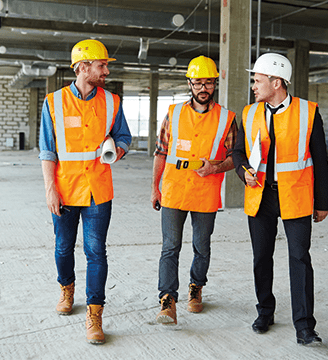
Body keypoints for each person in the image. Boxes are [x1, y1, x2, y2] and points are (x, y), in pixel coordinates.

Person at [232, 53, 328, 345]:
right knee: (262, 258)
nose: (253, 86)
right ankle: (265, 311)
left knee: (300, 259)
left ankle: (304, 326)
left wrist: (322, 202)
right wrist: (244, 171)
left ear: (277, 83)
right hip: (260, 198)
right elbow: (238, 153)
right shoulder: (249, 113)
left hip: (296, 196)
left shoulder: (308, 112)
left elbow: (321, 161)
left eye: (258, 80)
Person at [39, 39, 132, 344]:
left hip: (98, 191)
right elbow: (47, 151)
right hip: (65, 191)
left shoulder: (112, 101)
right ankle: (67, 289)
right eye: (101, 65)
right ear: (83, 67)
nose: (106, 71)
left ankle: (95, 314)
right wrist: (50, 190)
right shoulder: (53, 102)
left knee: (96, 252)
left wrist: (115, 151)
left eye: (106, 66)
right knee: (64, 248)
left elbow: (124, 137)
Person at [151, 55, 238, 325]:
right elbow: (161, 152)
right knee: (170, 247)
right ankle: (167, 300)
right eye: (198, 82)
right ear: (189, 83)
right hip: (174, 189)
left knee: (201, 247)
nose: (203, 88)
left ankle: (196, 288)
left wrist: (215, 168)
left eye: (209, 83)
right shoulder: (174, 113)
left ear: (215, 85)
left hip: (206, 191)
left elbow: (237, 157)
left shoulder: (227, 118)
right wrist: (155, 188)